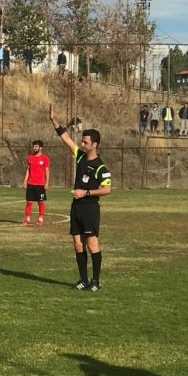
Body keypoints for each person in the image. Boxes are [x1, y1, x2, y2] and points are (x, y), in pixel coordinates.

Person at [49, 104, 111, 291]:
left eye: (85, 142)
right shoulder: (80, 157)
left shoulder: (101, 167)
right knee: (77, 244)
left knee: (92, 244)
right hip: (76, 207)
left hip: (90, 208)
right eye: (82, 142)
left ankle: (96, 281)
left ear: (94, 144)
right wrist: (53, 120)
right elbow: (66, 139)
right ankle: (83, 279)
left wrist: (86, 192)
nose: (82, 144)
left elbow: (107, 190)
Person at [22, 139, 50, 226]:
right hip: (30, 183)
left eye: (36, 146)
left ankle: (41, 219)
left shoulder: (45, 158)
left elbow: (47, 171)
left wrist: (47, 183)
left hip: (40, 184)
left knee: (40, 202)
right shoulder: (30, 157)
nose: (34, 148)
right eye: (33, 146)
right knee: (29, 202)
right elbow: (28, 169)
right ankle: (27, 219)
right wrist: (25, 180)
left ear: (40, 148)